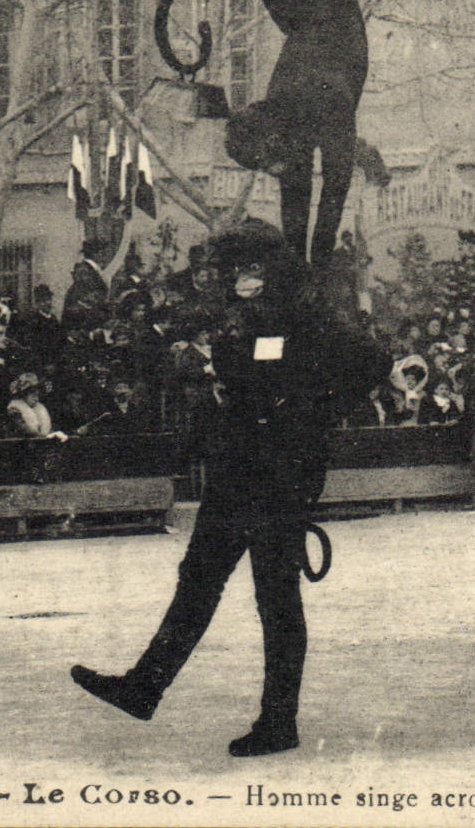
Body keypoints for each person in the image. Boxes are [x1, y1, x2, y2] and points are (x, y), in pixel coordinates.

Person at [70, 220, 390, 757]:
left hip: (284, 472)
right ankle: (144, 686)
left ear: (275, 271)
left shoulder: (306, 317)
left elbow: (373, 362)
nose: (243, 280)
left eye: (254, 269)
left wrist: (315, 413)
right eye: (237, 270)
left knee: (275, 596)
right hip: (237, 467)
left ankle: (278, 722)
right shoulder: (239, 320)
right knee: (197, 578)